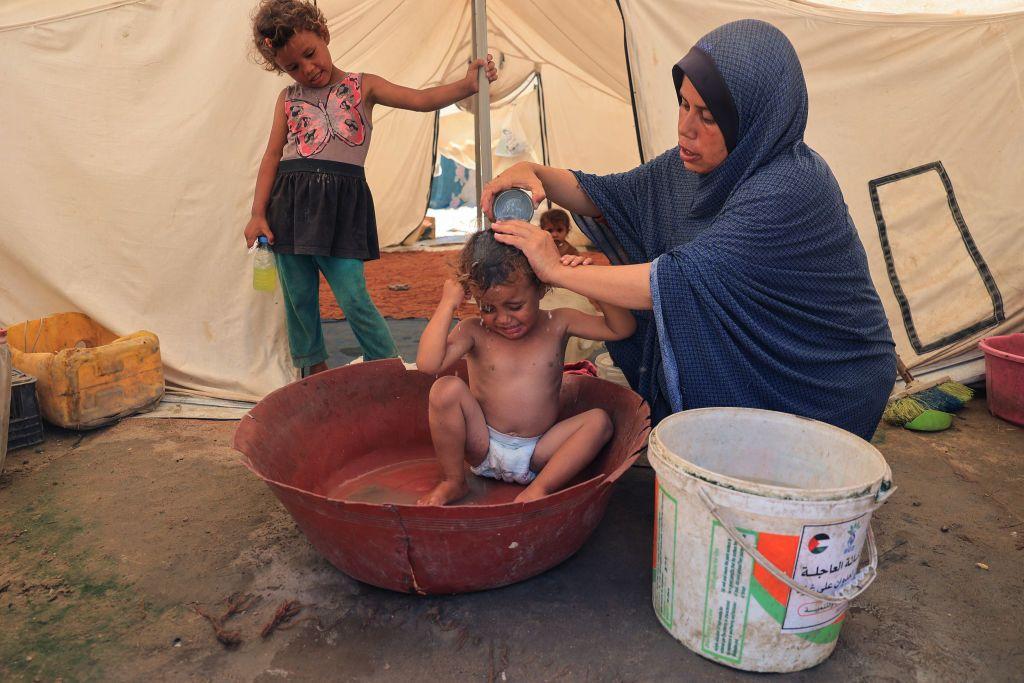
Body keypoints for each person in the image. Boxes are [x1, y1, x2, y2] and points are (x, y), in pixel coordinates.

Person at [482, 19, 895, 440]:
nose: (686, 127)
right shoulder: (697, 165)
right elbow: (610, 194)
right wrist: (534, 173)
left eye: (708, 116)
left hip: (818, 380)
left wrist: (556, 269)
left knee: (775, 481)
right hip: (761, 358)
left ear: (753, 119)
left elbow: (677, 280)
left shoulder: (789, 187)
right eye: (683, 104)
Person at [245, 0, 497, 375]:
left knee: (354, 297)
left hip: (340, 208)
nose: (307, 69)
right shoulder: (288, 99)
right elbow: (270, 158)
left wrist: (465, 85)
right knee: (299, 300)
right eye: (292, 67)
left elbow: (422, 100)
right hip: (290, 209)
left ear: (324, 35)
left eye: (311, 54)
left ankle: (390, 369)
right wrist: (257, 214)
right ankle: (313, 375)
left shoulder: (364, 87)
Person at [415, 231, 636, 506]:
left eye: (515, 305)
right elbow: (428, 364)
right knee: (444, 389)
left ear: (542, 287)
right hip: (483, 443)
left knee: (599, 422)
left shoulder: (558, 322)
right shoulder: (474, 330)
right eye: (488, 308)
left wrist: (586, 283)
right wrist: (447, 302)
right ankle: (453, 481)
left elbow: (621, 328)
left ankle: (539, 489)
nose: (503, 319)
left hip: (539, 451)